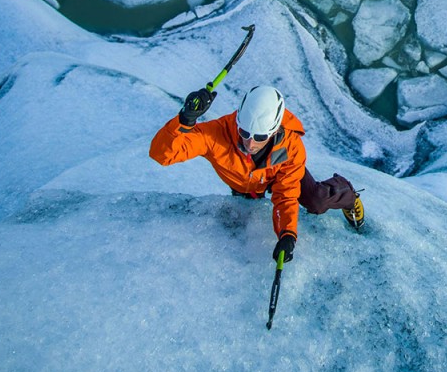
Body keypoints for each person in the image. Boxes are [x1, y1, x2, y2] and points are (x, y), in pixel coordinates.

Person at [149, 85, 364, 263]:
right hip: (247, 184)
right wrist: (184, 122)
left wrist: (287, 234)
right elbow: (161, 155)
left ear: (274, 129)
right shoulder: (217, 134)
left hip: (279, 172)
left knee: (315, 200)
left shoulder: (291, 147)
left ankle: (347, 195)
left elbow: (286, 196)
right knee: (241, 223)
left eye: (260, 136)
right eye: (244, 133)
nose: (250, 143)